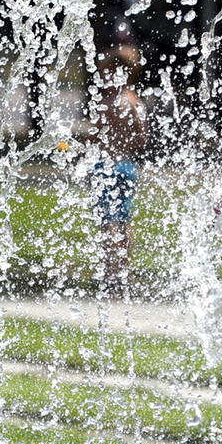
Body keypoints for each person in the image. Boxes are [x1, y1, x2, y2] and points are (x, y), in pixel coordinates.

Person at [85, 42, 148, 296]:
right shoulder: (133, 100)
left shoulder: (107, 101)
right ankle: (121, 272)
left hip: (106, 166)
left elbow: (96, 135)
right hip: (127, 166)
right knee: (123, 220)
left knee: (107, 221)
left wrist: (90, 141)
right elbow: (142, 137)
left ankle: (110, 271)